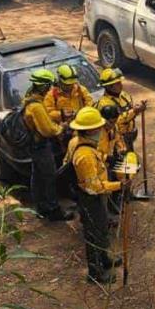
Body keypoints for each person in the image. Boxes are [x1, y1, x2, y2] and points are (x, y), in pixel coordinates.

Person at [65, 107, 121, 284]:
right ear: (89, 130)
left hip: (95, 196)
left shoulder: (77, 142)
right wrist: (119, 185)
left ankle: (103, 259)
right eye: (97, 128)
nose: (100, 131)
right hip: (91, 198)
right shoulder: (85, 155)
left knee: (102, 229)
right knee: (94, 234)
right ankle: (95, 272)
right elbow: (94, 187)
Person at [23, 69, 74, 221]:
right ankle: (53, 210)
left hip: (33, 145)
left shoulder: (30, 98)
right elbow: (48, 130)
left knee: (37, 177)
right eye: (49, 85)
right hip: (40, 146)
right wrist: (62, 127)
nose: (51, 88)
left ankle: (41, 206)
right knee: (49, 177)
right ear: (44, 86)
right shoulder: (36, 106)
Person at [97, 67, 145, 155]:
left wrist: (138, 109)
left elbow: (131, 111)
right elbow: (116, 122)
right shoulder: (105, 104)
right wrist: (134, 111)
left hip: (129, 135)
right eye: (117, 83)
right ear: (109, 86)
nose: (121, 85)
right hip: (117, 140)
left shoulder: (124, 95)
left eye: (120, 82)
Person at [44, 63, 94, 128]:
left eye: (72, 83)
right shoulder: (51, 95)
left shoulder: (81, 90)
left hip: (81, 125)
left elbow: (90, 103)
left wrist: (81, 113)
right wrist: (61, 114)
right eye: (67, 84)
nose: (70, 86)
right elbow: (47, 114)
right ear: (60, 80)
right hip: (65, 129)